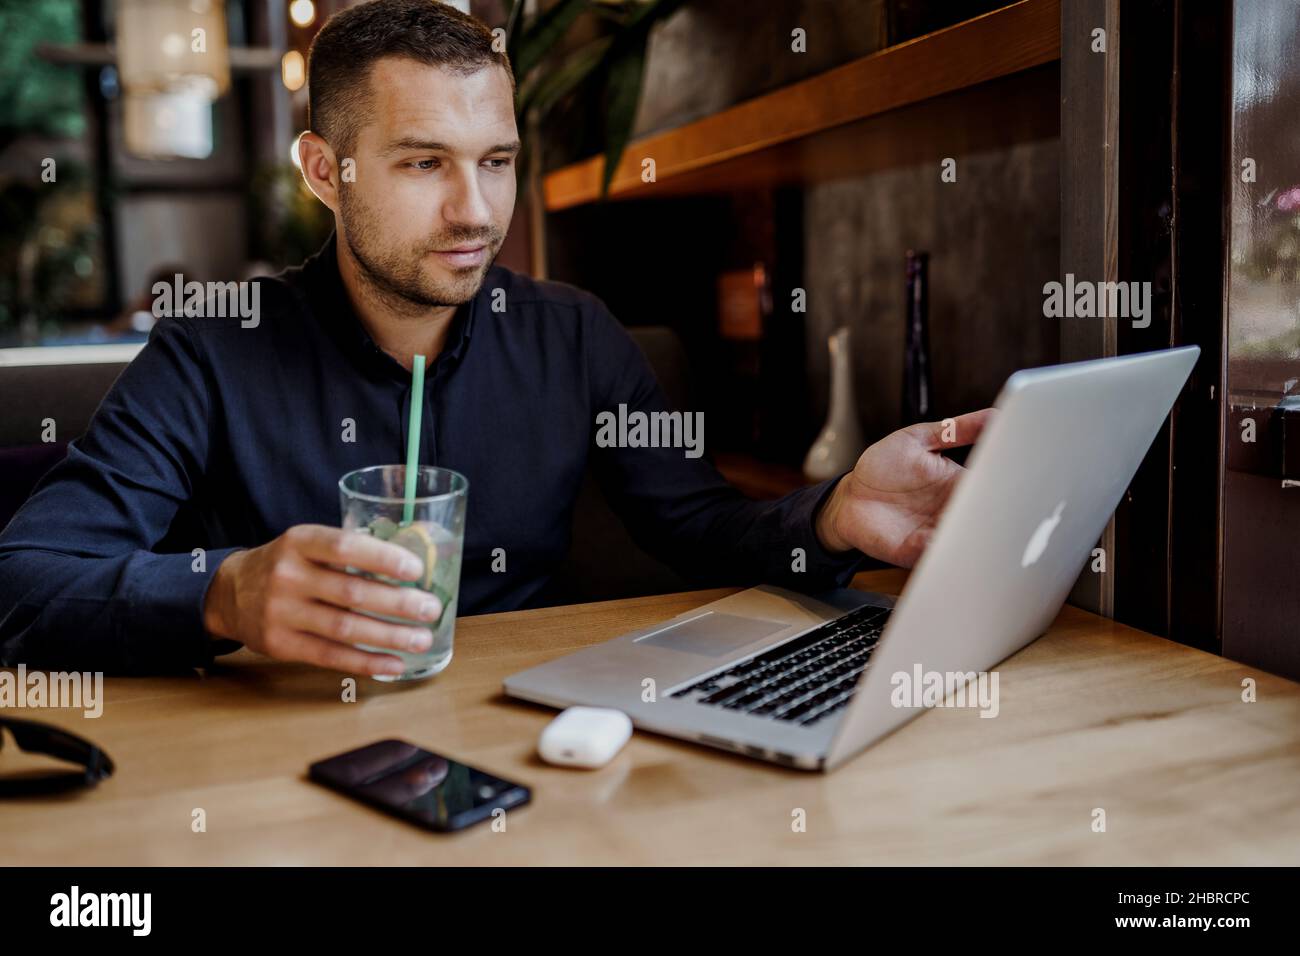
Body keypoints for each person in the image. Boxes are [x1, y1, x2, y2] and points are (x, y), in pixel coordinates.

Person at [0, 0, 988, 677]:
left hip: (535, 750)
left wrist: (835, 515)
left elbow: (698, 529)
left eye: (499, 159)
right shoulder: (213, 349)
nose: (477, 209)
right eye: (425, 161)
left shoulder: (574, 333)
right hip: (285, 766)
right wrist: (222, 593)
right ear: (322, 169)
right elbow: (22, 579)